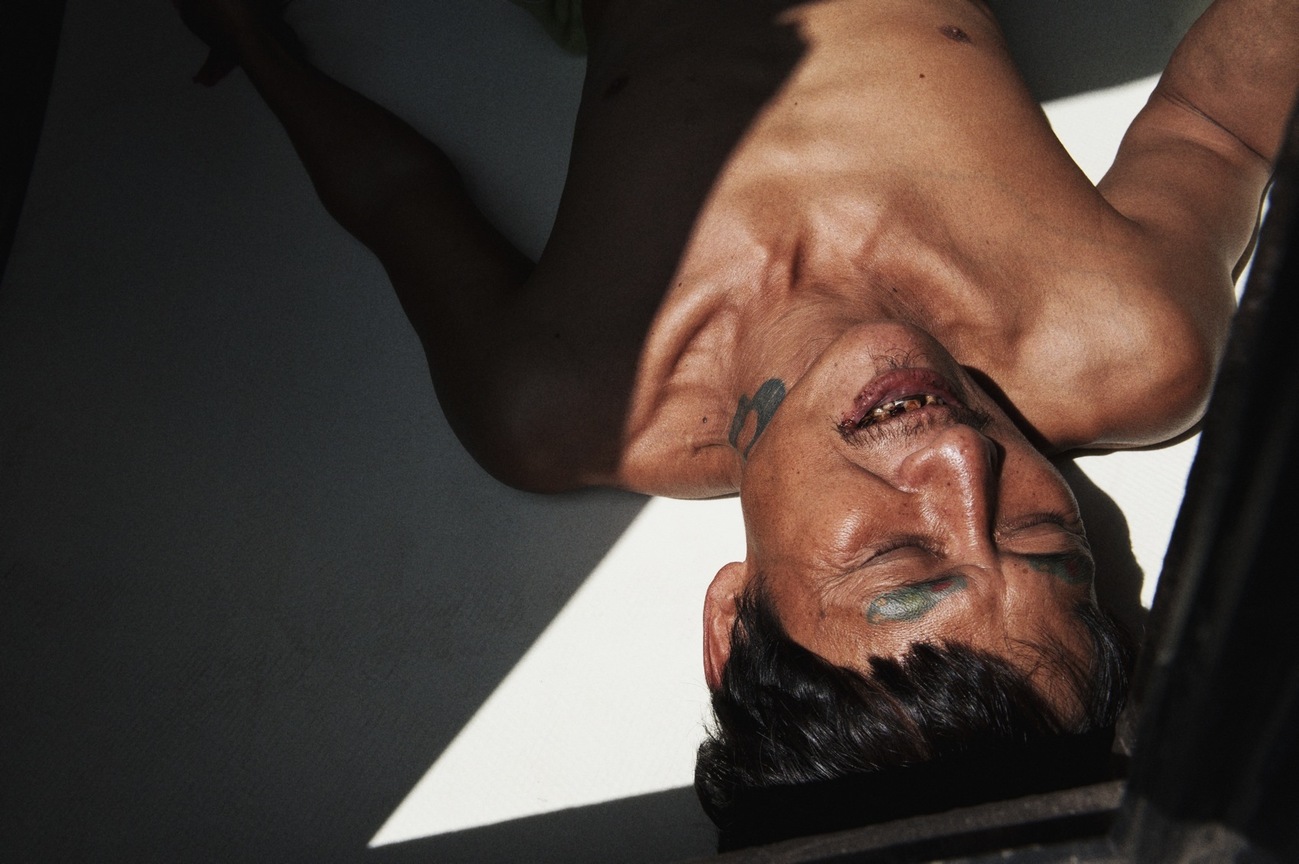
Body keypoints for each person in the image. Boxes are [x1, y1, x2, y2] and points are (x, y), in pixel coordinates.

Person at [171, 0, 1298, 838]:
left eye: (900, 561)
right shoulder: (1113, 336)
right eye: (1043, 537)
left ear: (730, 625)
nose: (962, 460)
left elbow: (394, 198)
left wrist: (257, 45)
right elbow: (1219, 129)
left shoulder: (567, 401)